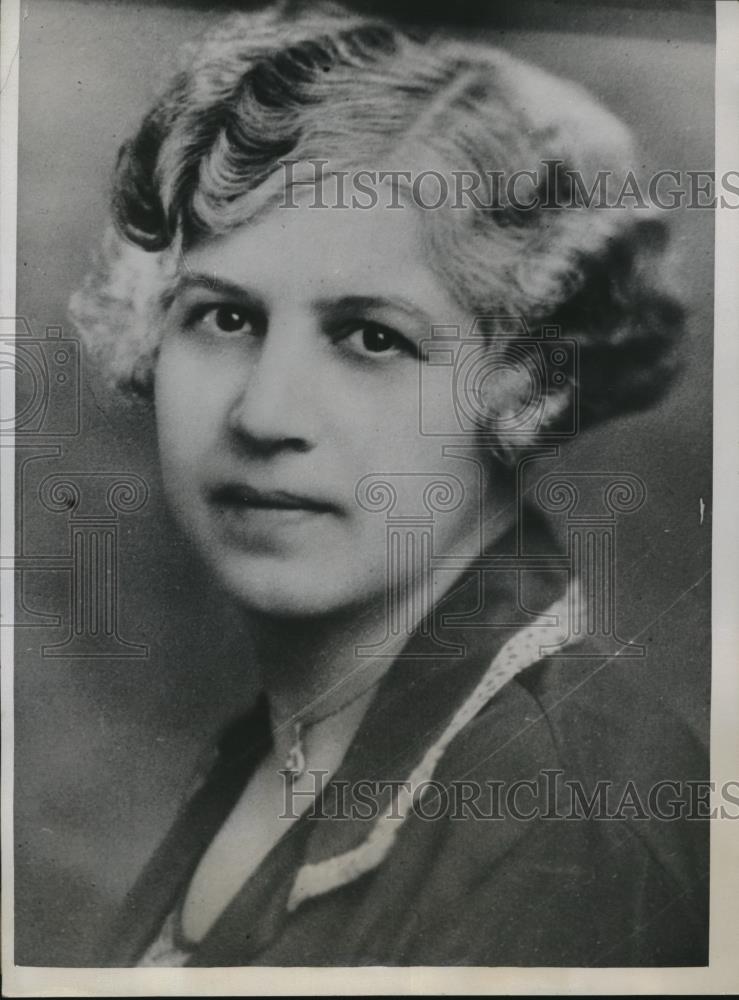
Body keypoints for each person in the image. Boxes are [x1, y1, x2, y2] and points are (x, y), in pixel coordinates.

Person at [70, 4, 708, 967]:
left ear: (525, 380)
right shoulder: (293, 741)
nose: (264, 414)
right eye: (224, 318)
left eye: (373, 336)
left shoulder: (556, 805)